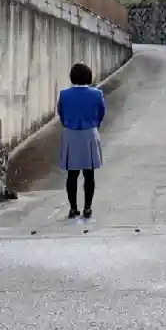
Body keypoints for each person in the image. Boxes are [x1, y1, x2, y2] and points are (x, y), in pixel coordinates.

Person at [56, 62, 106, 219]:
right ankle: (87, 208)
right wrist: (94, 126)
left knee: (72, 175)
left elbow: (61, 113)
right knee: (89, 174)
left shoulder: (64, 94)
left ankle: (73, 208)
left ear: (72, 77)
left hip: (70, 134)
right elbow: (101, 113)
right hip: (90, 132)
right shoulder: (97, 94)